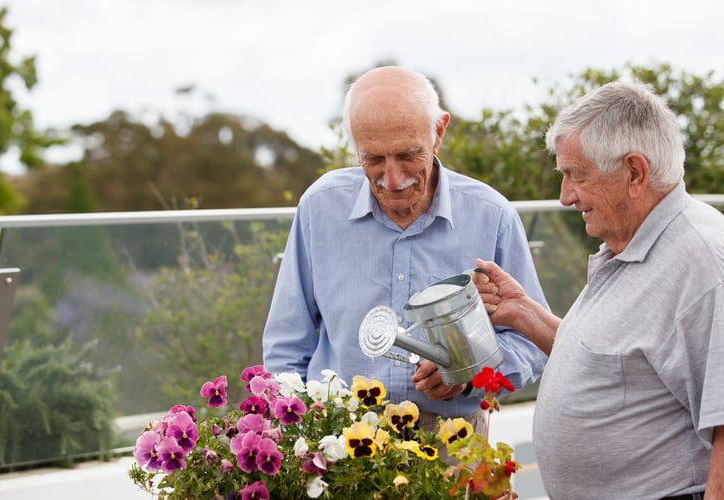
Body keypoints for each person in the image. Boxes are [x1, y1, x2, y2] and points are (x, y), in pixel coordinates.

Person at [262, 65, 548, 431]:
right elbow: (287, 346)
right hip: (337, 438)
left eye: (408, 155)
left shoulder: (492, 215)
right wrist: (294, 432)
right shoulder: (319, 207)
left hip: (451, 440)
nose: (392, 179)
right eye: (373, 159)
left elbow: (532, 344)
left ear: (439, 132)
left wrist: (467, 374)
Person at [473, 81, 723, 499]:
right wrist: (525, 314)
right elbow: (618, 367)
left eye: (576, 176)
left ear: (634, 173)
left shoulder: (703, 261)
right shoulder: (630, 245)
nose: (565, 196)